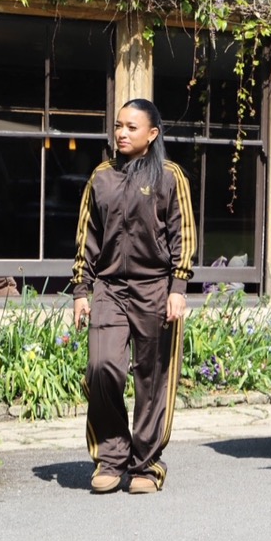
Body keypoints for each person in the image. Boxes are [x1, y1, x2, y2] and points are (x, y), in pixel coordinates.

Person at [72, 99, 196, 494]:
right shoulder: (101, 177)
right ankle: (111, 456)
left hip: (155, 288)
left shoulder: (169, 176)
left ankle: (146, 464)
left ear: (152, 134)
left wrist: (178, 288)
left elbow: (184, 235)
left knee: (152, 378)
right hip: (109, 288)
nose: (122, 133)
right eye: (118, 127)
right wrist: (80, 289)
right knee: (102, 366)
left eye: (131, 127)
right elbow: (86, 237)